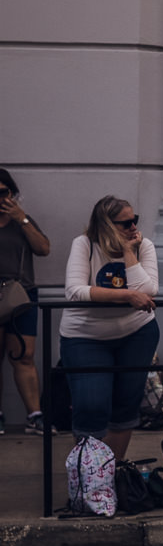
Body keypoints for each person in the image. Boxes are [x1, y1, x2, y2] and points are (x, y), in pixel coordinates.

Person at [59, 196, 159, 462]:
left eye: (134, 220)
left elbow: (148, 291)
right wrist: (127, 297)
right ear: (105, 225)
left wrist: (128, 252)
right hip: (85, 336)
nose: (133, 227)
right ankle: (88, 478)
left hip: (136, 333)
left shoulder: (142, 245)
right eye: (125, 223)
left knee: (126, 404)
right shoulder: (84, 245)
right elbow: (75, 291)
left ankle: (111, 475)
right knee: (91, 404)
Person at [0, 169, 50, 435]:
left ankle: (35, 415)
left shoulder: (22, 222)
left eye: (2, 192)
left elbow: (44, 249)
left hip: (21, 294)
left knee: (23, 355)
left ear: (11, 193)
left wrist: (22, 219)